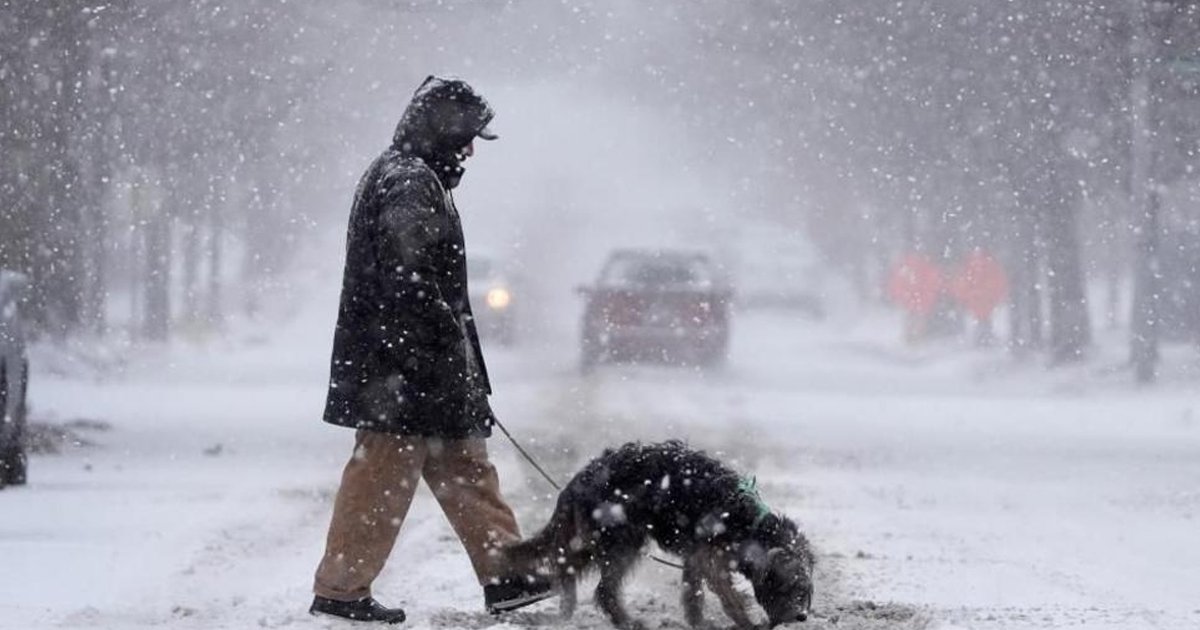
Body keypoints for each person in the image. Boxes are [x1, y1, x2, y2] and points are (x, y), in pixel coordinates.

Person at [310, 76, 553, 624]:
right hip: (401, 369)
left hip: (419, 365)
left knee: (464, 466)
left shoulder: (416, 177)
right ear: (440, 131)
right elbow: (409, 277)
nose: (469, 150)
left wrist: (456, 363)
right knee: (382, 476)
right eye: (465, 137)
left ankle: (507, 575)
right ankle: (341, 590)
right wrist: (440, 348)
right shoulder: (407, 182)